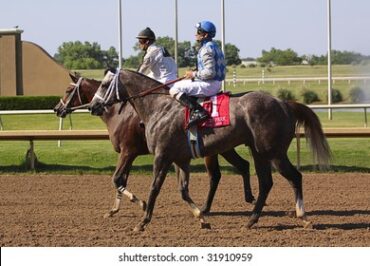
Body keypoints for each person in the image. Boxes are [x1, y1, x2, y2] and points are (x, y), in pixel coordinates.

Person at [169, 20, 226, 128]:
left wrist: (194, 74)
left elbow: (210, 72)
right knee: (181, 83)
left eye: (198, 32)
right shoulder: (215, 46)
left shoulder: (206, 49)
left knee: (174, 89)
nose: (196, 34)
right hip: (214, 82)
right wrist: (193, 73)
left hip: (210, 84)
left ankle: (199, 111)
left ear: (205, 35)